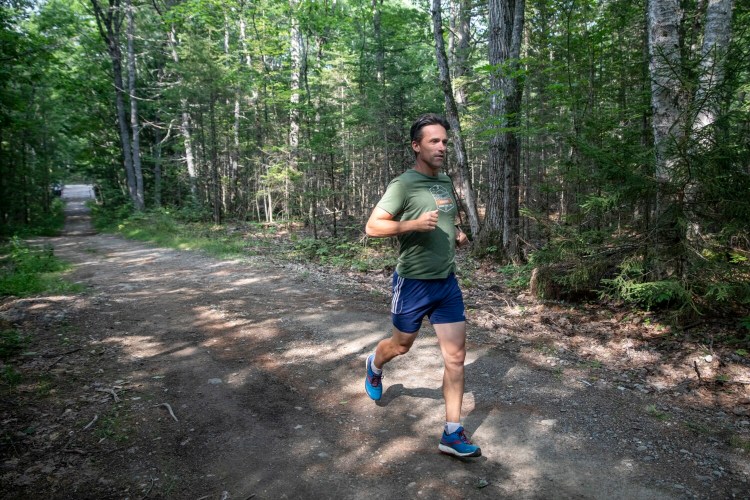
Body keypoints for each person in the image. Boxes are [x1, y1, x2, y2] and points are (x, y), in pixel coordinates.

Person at [363, 113, 480, 458]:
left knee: (456, 358)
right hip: (412, 284)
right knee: (401, 346)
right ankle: (374, 364)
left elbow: (444, 220)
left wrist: (456, 235)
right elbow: (373, 227)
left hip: (446, 284)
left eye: (445, 141)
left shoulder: (444, 182)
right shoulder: (403, 184)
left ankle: (452, 433)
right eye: (434, 141)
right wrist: (412, 223)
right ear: (416, 146)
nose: (442, 147)